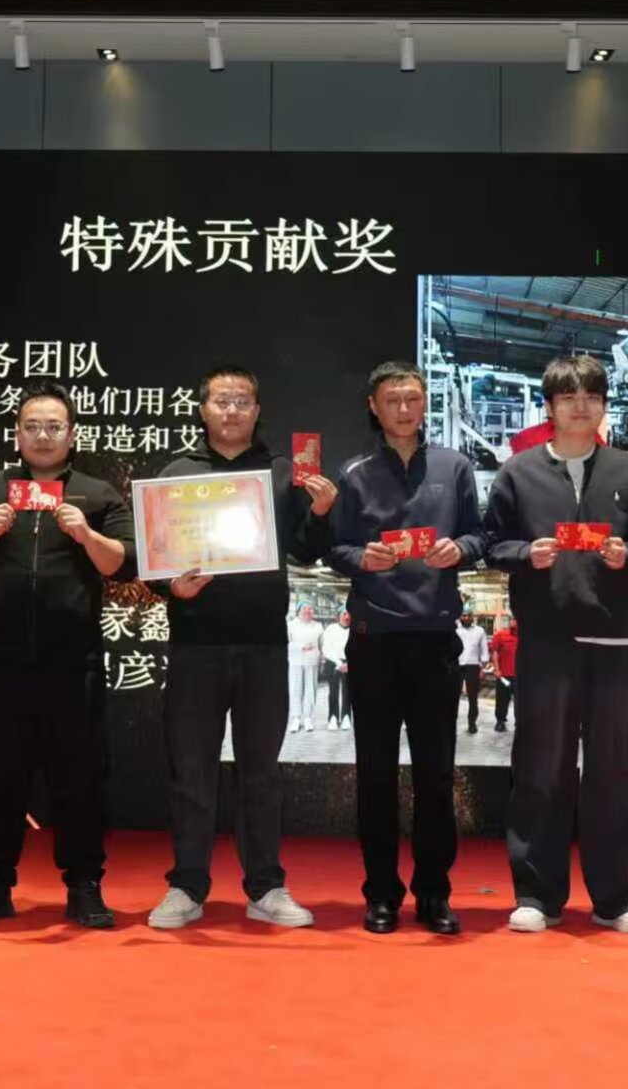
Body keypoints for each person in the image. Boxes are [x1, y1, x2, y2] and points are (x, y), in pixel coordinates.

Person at [483, 354, 628, 935]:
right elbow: (491, 542)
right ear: (550, 406)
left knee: (614, 772)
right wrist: (526, 554)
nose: (581, 407)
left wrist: (627, 555)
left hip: (613, 643)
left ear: (604, 406)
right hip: (546, 643)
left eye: (592, 396)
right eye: (568, 397)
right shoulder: (517, 474)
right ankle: (536, 894)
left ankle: (614, 898)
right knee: (540, 768)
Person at [0, 380, 136, 930]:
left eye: (53, 426)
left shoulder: (96, 494)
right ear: (17, 434)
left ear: (71, 434)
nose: (43, 436)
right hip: (0, 665)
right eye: (32, 426)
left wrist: (86, 535)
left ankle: (84, 886)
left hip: (73, 666)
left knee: (80, 779)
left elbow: (125, 562)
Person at [145, 365, 336, 929]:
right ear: (202, 409)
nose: (231, 410)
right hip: (195, 644)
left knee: (262, 771)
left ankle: (266, 886)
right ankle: (187, 886)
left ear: (257, 410)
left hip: (263, 643)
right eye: (221, 400)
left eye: (242, 401)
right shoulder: (177, 475)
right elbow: (155, 558)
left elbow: (306, 550)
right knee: (191, 769)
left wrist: (320, 512)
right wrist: (170, 586)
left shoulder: (282, 473)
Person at [328, 360, 485, 935]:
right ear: (373, 406)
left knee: (435, 777)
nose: (402, 409)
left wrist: (459, 549)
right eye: (391, 399)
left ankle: (434, 893)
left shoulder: (455, 466)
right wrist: (360, 558)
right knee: (374, 776)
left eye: (412, 398)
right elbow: (334, 548)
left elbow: (480, 535)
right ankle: (381, 894)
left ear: (424, 403)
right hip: (373, 641)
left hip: (435, 640)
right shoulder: (353, 472)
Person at [286, 603, 325, 733]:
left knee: (310, 689)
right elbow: (286, 643)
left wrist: (322, 658)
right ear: (298, 610)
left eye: (310, 609)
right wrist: (300, 647)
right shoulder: (291, 625)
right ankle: (296, 718)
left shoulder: (318, 626)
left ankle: (308, 717)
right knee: (295, 689)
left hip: (312, 661)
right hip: (295, 661)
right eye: (304, 608)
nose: (308, 611)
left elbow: (322, 644)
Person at [454, 610, 490, 734]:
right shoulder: (455, 630)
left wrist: (483, 668)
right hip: (456, 666)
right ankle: (451, 723)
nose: (466, 617)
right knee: (453, 697)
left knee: (473, 698)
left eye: (468, 615)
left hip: (473, 666)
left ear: (472, 617)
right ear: (460, 616)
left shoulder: (479, 631)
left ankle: (472, 723)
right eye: (463, 615)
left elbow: (484, 650)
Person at [322, 610, 353, 730]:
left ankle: (346, 716)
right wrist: (339, 663)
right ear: (338, 616)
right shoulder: (331, 629)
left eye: (348, 614)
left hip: (349, 663)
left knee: (347, 690)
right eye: (344, 614)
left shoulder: (354, 630)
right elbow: (326, 648)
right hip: (333, 662)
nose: (346, 616)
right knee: (333, 691)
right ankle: (333, 717)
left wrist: (348, 663)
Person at [489, 613, 518, 732]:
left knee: (522, 703)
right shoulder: (500, 635)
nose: (514, 622)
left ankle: (520, 723)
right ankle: (500, 721)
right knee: (502, 700)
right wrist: (497, 669)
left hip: (522, 677)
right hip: (504, 676)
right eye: (513, 619)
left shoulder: (528, 637)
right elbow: (494, 652)